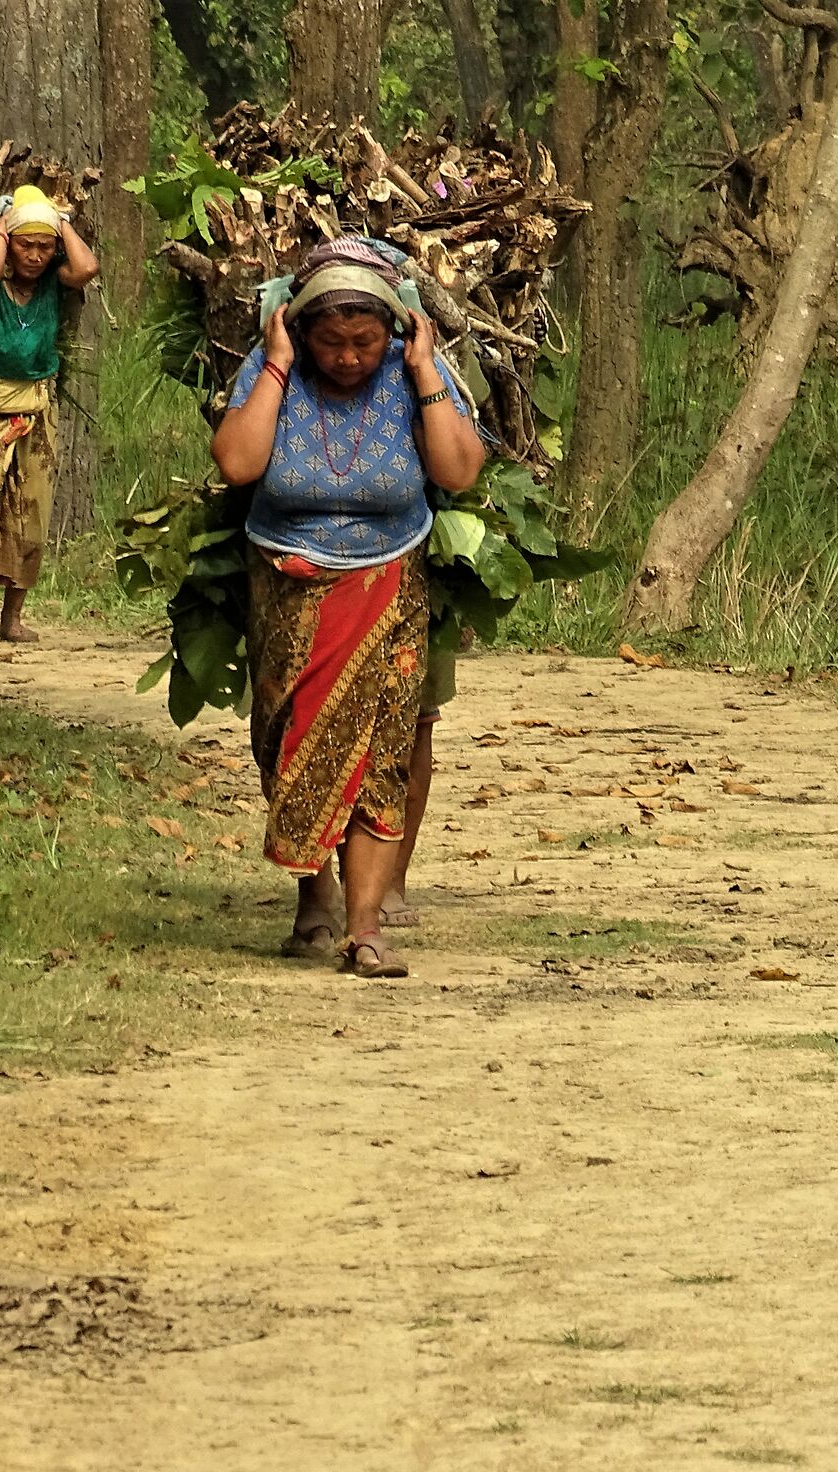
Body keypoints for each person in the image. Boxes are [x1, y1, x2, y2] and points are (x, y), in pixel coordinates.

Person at [209, 237, 487, 978]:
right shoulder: (279, 369)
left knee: (379, 753)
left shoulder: (411, 371)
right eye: (330, 340)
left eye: (365, 340)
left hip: (389, 585)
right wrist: (275, 365)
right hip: (287, 588)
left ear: (394, 331)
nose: (348, 356)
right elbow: (237, 463)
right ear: (299, 330)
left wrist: (424, 367)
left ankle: (364, 928)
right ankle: (313, 890)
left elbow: (458, 469)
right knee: (289, 742)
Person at [0, 186, 99, 645]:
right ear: (8, 243)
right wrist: (2, 222)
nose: (34, 255)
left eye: (43, 246)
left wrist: (59, 221)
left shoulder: (54, 279)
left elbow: (87, 267)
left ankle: (12, 618)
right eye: (25, 244)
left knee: (28, 510)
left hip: (34, 409)